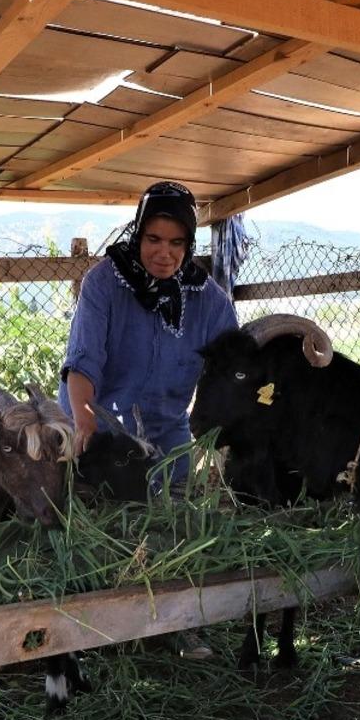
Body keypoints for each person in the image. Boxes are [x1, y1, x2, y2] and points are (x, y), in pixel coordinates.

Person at [59, 180, 238, 658]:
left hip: (168, 429)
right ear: (138, 236)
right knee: (100, 529)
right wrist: (83, 424)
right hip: (104, 428)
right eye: (154, 239)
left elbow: (231, 373)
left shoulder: (210, 301)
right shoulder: (105, 283)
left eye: (176, 242)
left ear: (189, 244)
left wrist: (222, 433)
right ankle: (90, 630)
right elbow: (82, 365)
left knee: (177, 529)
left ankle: (178, 625)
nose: (164, 253)